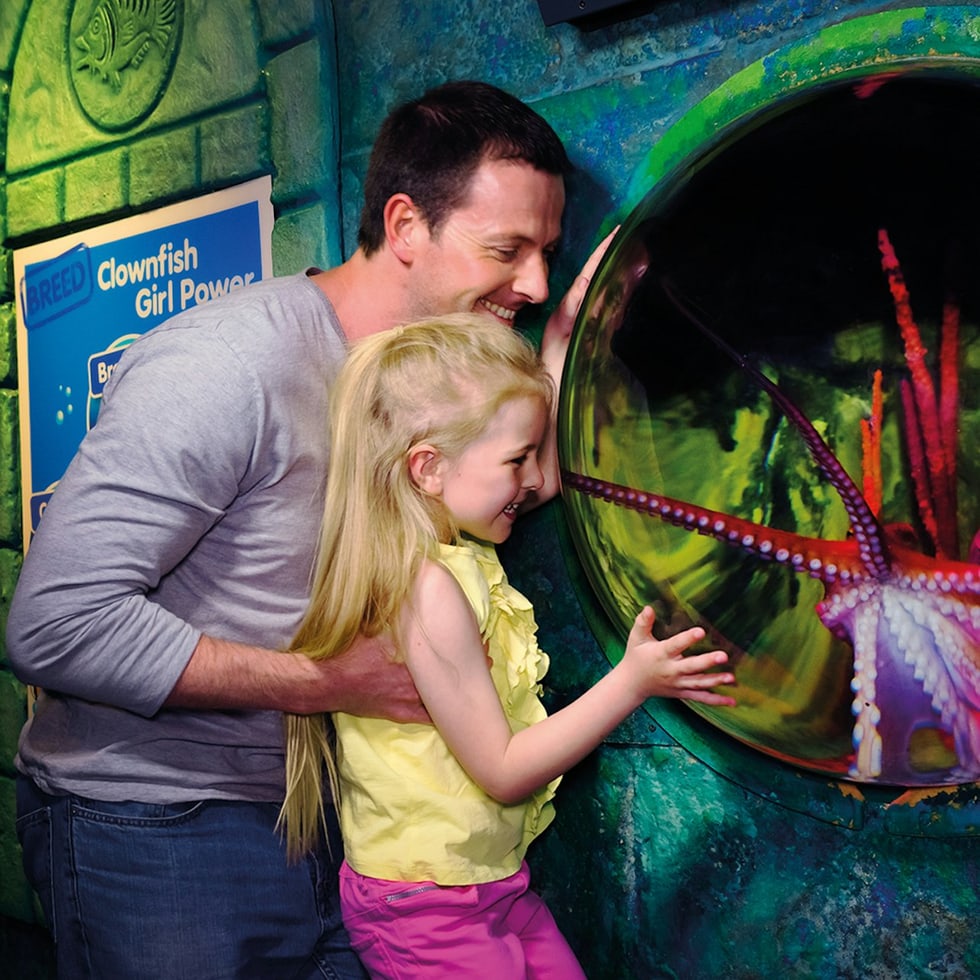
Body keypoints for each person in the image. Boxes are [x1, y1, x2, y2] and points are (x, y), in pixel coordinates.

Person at [6, 81, 610, 979]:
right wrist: (326, 682)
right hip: (156, 821)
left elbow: (518, 481)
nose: (533, 283)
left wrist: (560, 344)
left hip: (339, 828)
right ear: (405, 226)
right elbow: (54, 625)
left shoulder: (435, 377)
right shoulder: (227, 365)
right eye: (506, 250)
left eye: (547, 255)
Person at [278, 315, 737, 978]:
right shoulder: (426, 590)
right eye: (517, 459)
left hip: (489, 884)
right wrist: (633, 681)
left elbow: (535, 474)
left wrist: (561, 348)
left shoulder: (454, 545)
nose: (533, 478)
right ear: (428, 468)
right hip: (426, 908)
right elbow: (502, 768)